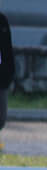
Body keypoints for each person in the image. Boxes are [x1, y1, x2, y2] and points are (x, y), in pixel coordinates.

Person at [0, 12, 13, 152]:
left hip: (1, 78)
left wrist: (9, 73)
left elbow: (8, 50)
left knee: (1, 118)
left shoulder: (2, 21)